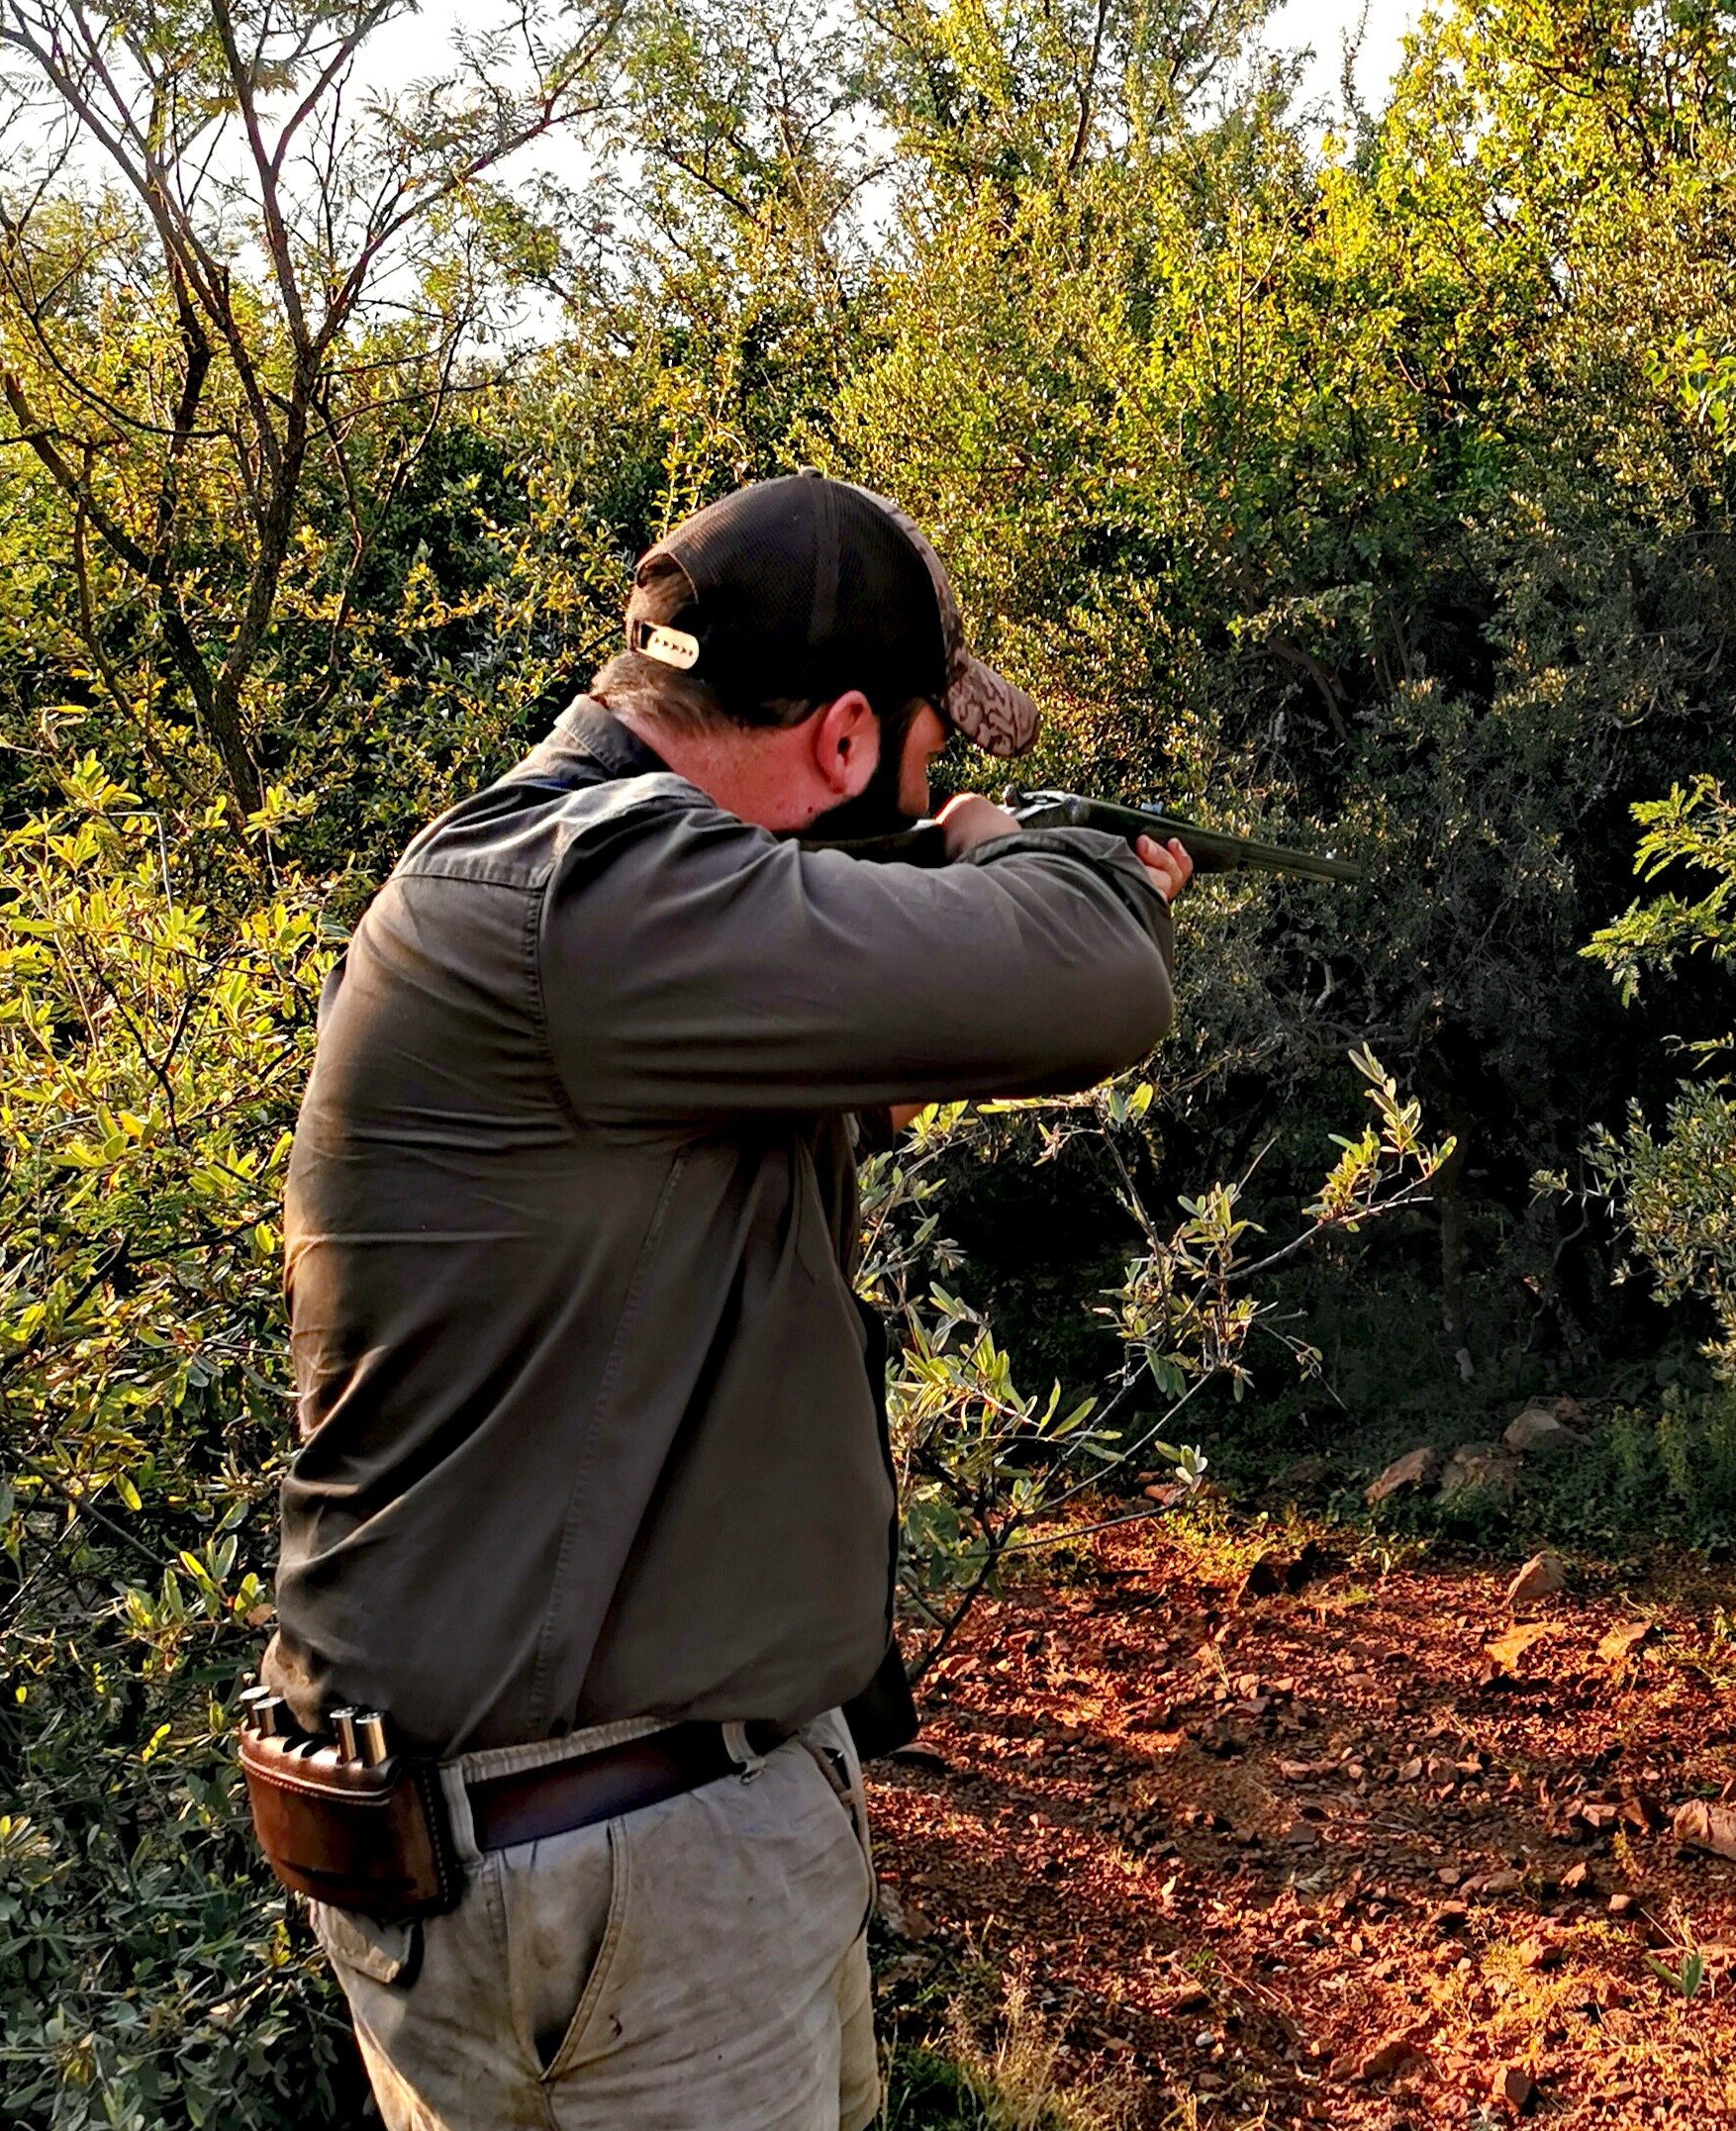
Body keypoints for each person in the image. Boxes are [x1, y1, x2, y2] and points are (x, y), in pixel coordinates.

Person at [260, 470, 1192, 2129]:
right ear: (843, 744)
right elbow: (1092, 975)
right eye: (927, 751)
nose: (934, 782)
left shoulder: (558, 880)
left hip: (582, 1849)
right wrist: (1015, 845)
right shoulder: (603, 894)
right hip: (618, 1875)